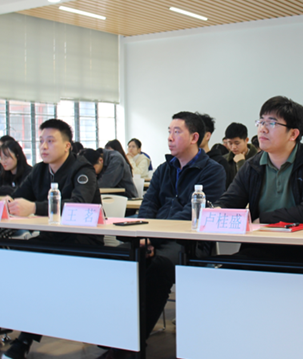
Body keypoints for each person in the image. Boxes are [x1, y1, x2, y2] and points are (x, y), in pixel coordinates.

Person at [0, 119, 102, 359]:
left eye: (50, 141)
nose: (43, 146)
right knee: (1, 262)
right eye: (41, 141)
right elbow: (17, 196)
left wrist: (34, 207)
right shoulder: (40, 170)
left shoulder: (82, 170)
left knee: (30, 266)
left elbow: (80, 206)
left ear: (67, 146)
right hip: (49, 240)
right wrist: (11, 203)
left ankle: (21, 340)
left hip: (81, 243)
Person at [97, 112, 225, 359]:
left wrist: (151, 238)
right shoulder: (164, 169)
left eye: (177, 132)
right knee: (115, 260)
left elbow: (194, 214)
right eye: (169, 131)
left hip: (189, 242)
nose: (170, 137)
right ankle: (118, 337)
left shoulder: (213, 170)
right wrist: (143, 236)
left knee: (159, 266)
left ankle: (129, 347)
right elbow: (148, 205)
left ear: (194, 137)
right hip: (152, 237)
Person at [215, 96, 303, 262]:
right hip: (262, 246)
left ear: (293, 134)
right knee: (223, 269)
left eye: (271, 123)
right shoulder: (252, 166)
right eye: (261, 122)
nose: (262, 129)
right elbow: (230, 202)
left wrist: (264, 219)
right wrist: (216, 211)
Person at [223, 122, 258, 188]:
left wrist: (241, 162)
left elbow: (249, 184)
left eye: (237, 143)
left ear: (246, 140)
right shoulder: (224, 160)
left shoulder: (258, 158)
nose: (233, 147)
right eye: (230, 143)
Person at [196, 112, 229, 177]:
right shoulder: (186, 160)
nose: (194, 136)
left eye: (197, 133)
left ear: (207, 136)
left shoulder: (220, 162)